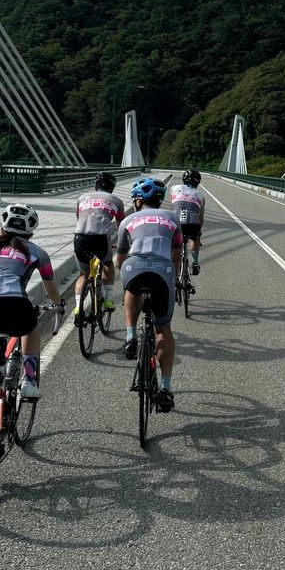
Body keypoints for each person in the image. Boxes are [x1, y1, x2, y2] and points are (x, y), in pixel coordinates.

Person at [0, 203, 64, 416]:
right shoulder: (38, 252)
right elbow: (50, 286)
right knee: (30, 329)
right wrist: (58, 304)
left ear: (2, 229)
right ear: (31, 233)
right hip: (14, 303)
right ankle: (29, 381)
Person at [115, 176, 182, 412]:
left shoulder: (127, 220)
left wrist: (123, 270)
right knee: (163, 330)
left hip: (133, 268)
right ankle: (166, 388)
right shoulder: (172, 218)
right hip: (163, 271)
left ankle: (130, 336)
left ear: (137, 201)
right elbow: (177, 252)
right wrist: (174, 276)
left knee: (131, 288)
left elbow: (120, 258)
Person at [73, 171, 125, 318]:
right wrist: (121, 244)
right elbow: (121, 226)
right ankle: (108, 300)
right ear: (112, 187)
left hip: (80, 237)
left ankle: (78, 307)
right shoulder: (116, 201)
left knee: (83, 275)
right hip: (101, 238)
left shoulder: (81, 198)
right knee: (108, 264)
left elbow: (79, 218)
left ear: (96, 185)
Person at [170, 169, 205, 275]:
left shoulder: (174, 188)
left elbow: (173, 206)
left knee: (172, 240)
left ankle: (173, 264)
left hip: (176, 221)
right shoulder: (200, 196)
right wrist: (199, 232)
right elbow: (200, 216)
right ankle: (195, 263)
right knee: (195, 237)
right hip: (192, 223)